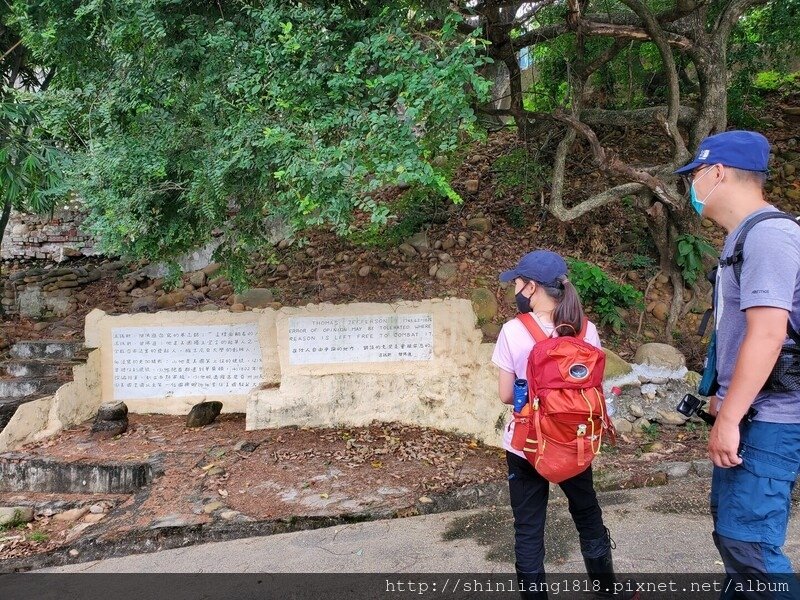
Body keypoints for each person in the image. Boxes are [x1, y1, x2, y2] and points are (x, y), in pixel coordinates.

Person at [675, 130, 800, 598]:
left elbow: (767, 336)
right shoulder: (743, 238)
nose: (692, 186)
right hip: (752, 413)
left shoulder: (770, 236)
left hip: (769, 418)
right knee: (737, 542)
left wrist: (729, 417)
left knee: (751, 549)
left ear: (717, 172)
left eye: (695, 175)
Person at [491, 249, 637, 600]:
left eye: (517, 282)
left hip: (527, 444)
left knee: (528, 529)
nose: (514, 289)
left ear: (531, 288)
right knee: (586, 512)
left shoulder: (512, 331)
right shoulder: (587, 329)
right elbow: (592, 389)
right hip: (573, 440)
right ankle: (606, 590)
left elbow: (506, 395)